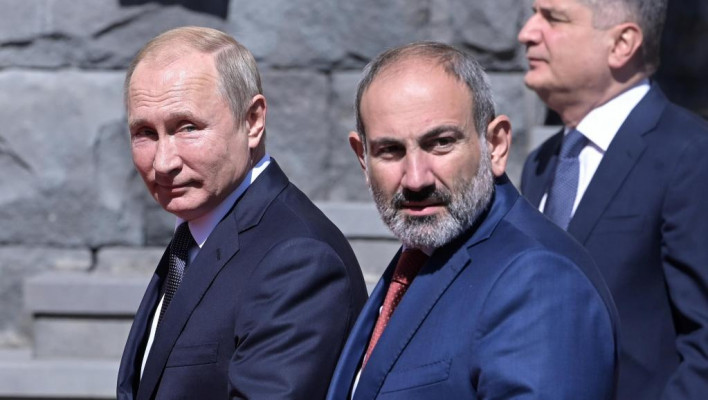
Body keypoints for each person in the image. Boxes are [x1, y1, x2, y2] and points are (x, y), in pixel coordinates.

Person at [326, 41, 619, 400]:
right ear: (363, 159)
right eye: (390, 150)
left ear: (495, 145)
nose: (416, 179)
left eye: (440, 143)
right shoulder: (421, 255)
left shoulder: (540, 280)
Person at [116, 26, 367, 400]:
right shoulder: (195, 237)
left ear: (252, 121)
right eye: (145, 133)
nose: (163, 162)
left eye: (188, 127)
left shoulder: (299, 260)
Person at [518, 0, 708, 398]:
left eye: (553, 18)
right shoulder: (540, 164)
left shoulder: (690, 155)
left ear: (622, 44)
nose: (527, 34)